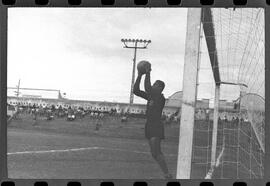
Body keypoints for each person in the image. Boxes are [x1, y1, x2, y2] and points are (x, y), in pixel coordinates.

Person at [133, 65, 172, 179]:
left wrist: (148, 72)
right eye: (153, 84)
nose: (153, 85)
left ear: (160, 88)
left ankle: (167, 174)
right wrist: (140, 75)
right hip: (149, 125)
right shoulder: (151, 96)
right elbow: (135, 90)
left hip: (156, 126)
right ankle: (167, 173)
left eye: (155, 84)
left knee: (156, 152)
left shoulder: (160, 97)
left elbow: (147, 88)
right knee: (154, 153)